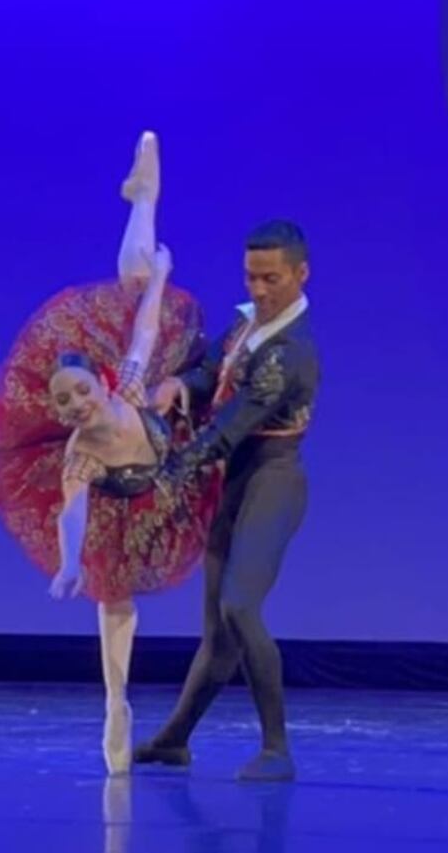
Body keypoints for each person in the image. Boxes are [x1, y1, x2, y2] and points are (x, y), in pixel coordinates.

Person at [0, 133, 220, 774]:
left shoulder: (134, 384)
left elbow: (145, 328)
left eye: (81, 392)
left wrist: (166, 278)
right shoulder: (80, 454)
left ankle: (144, 200)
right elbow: (72, 513)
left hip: (171, 464)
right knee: (113, 601)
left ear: (104, 384)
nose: (75, 407)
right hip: (130, 508)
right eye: (63, 404)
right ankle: (116, 702)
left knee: (140, 285)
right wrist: (66, 567)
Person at [133, 220, 320, 782]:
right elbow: (210, 372)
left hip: (273, 481)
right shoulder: (246, 328)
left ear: (300, 274)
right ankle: (173, 741)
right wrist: (178, 387)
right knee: (217, 630)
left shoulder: (292, 352)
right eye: (251, 277)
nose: (260, 289)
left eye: (272, 278)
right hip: (237, 483)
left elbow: (234, 424)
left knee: (240, 607)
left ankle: (276, 749)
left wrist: (171, 469)